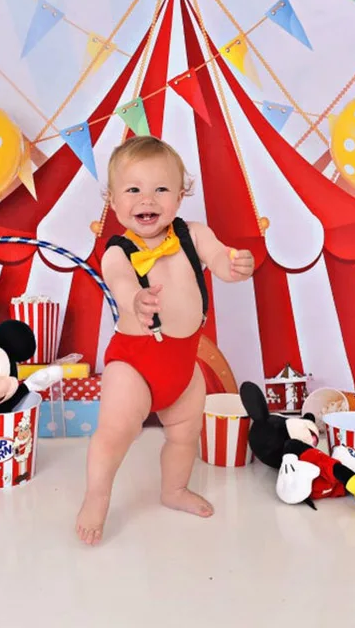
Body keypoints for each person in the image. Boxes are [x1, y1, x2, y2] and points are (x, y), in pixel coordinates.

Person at [75, 136, 255, 545]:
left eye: (161, 189)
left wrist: (231, 265)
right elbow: (119, 281)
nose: (147, 199)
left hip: (182, 364)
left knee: (185, 433)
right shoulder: (118, 251)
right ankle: (97, 497)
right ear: (113, 201)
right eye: (133, 189)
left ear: (180, 195)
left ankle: (173, 490)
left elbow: (218, 257)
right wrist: (135, 300)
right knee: (115, 432)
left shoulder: (193, 234)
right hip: (134, 363)